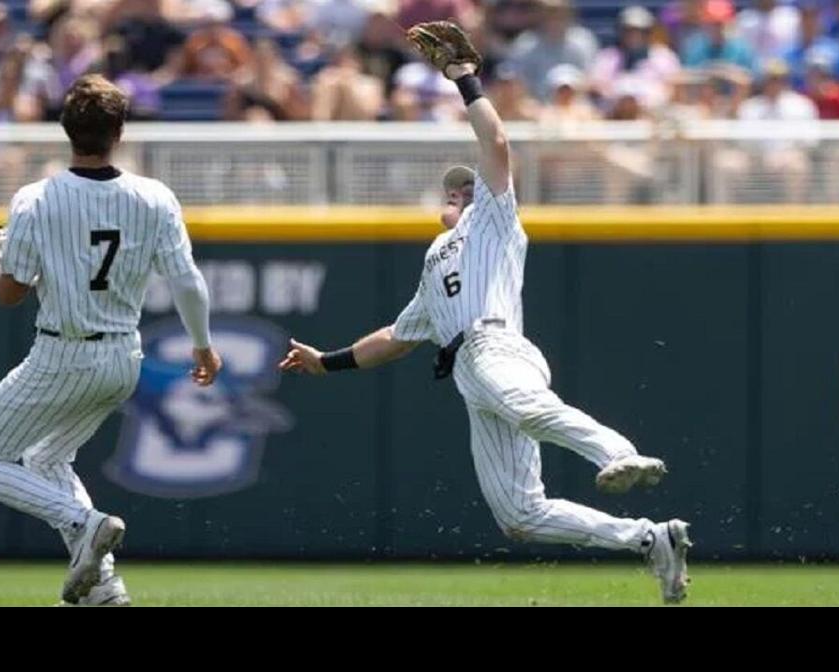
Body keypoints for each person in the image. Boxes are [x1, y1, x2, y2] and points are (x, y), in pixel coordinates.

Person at [278, 22, 692, 604]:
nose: (458, 193)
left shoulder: (494, 221)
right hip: (470, 374)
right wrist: (328, 361)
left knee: (524, 405)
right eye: (452, 190)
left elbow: (495, 146)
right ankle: (651, 540)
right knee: (519, 514)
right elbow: (397, 337)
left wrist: (465, 78)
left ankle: (619, 452)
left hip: (496, 346)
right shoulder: (434, 261)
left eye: (465, 188)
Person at [0, 75, 222, 607]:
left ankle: (86, 521)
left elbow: (11, 294)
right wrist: (202, 344)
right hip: (123, 356)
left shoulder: (36, 198)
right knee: (47, 459)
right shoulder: (155, 196)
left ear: (65, 129)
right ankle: (104, 587)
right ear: (119, 132)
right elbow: (187, 280)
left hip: (62, 352)